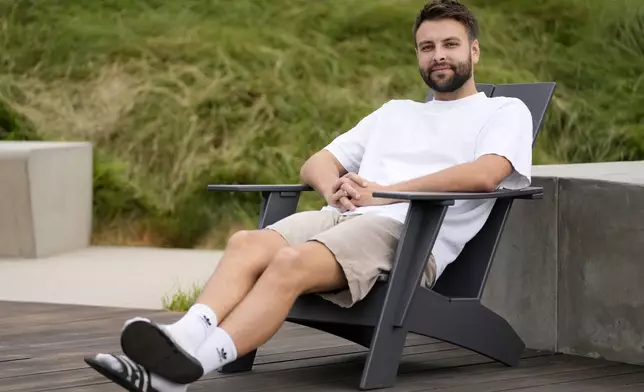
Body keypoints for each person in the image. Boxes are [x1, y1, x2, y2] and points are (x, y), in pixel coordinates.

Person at [84, 1, 533, 391]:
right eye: (427, 46)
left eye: (450, 44)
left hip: (409, 236)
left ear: (473, 50)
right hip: (344, 219)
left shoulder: (503, 111)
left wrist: (382, 193)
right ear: (417, 54)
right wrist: (331, 187)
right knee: (248, 242)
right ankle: (182, 338)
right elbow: (318, 160)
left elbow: (486, 174)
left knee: (288, 264)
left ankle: (188, 370)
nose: (438, 55)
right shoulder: (396, 112)